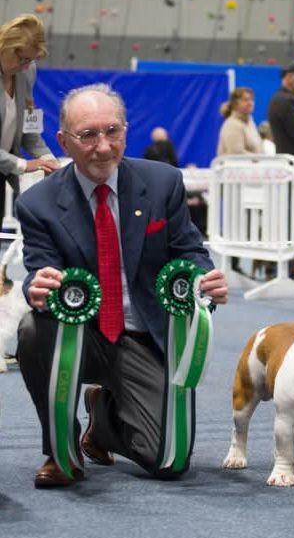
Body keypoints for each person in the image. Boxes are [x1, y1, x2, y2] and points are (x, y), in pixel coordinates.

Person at [15, 83, 228, 488]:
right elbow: (38, 269)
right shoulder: (37, 204)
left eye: (112, 131)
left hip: (144, 336)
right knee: (31, 329)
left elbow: (189, 250)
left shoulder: (163, 182)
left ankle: (103, 418)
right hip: (79, 335)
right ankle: (60, 449)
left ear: (126, 131)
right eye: (88, 135)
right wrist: (35, 287)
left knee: (169, 461)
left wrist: (203, 278)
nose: (102, 146)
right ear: (63, 141)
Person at [0, 13, 60, 216]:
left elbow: (28, 130)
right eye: (23, 59)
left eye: (32, 60)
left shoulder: (26, 71)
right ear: (7, 47)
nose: (27, 66)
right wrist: (24, 164)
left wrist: (49, 160)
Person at [216, 86, 262, 156]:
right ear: (235, 103)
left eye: (251, 100)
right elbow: (237, 155)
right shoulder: (232, 125)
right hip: (237, 166)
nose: (250, 103)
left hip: (255, 166)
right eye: (246, 100)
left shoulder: (250, 123)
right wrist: (260, 159)